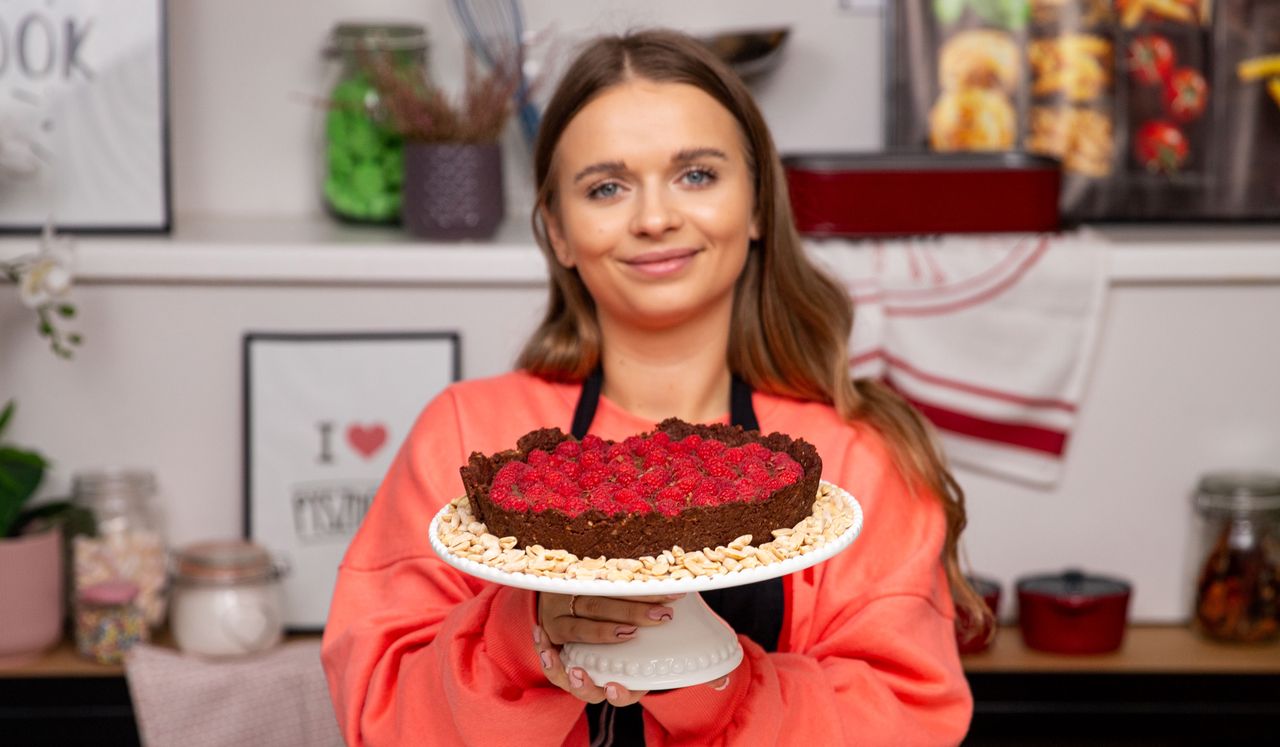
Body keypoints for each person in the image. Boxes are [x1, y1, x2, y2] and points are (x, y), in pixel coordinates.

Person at [322, 28, 987, 746]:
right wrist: (524, 635)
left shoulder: (856, 461)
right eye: (606, 186)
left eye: (696, 174)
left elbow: (904, 721)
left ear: (760, 204)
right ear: (559, 231)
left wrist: (707, 678)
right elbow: (382, 714)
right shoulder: (465, 434)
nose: (654, 218)